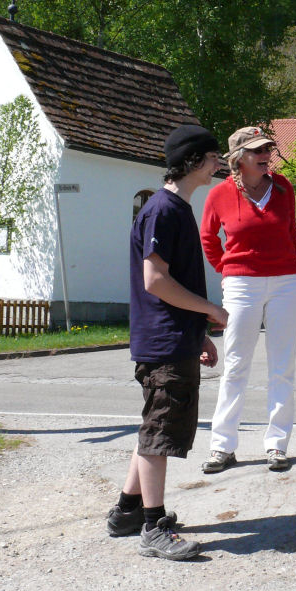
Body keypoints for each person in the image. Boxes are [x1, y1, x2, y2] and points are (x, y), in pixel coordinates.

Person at [105, 123, 228, 560]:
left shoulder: (176, 208)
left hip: (175, 339)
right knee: (159, 433)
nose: (218, 164)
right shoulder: (163, 209)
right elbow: (155, 280)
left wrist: (199, 332)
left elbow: (172, 283)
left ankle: (127, 511)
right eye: (212, 157)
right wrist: (211, 310)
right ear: (192, 161)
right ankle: (153, 528)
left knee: (153, 428)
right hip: (164, 344)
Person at [199, 126, 296, 474]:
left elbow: (291, 231)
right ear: (238, 158)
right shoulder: (220, 194)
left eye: (267, 149)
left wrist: (290, 263)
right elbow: (208, 238)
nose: (265, 155)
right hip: (241, 285)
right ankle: (222, 446)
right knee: (235, 365)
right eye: (257, 150)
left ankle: (277, 445)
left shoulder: (283, 187)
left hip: (286, 283)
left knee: (282, 367)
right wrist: (229, 271)